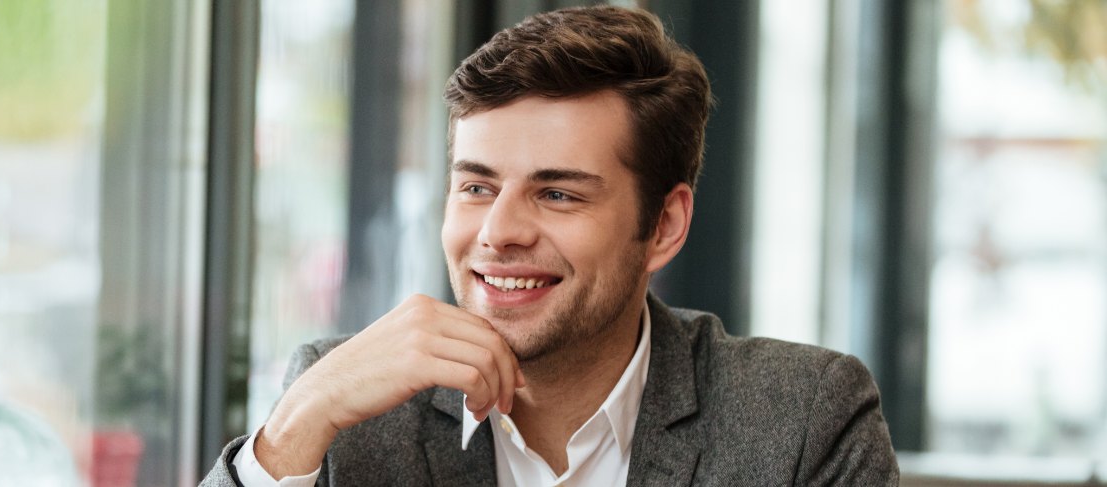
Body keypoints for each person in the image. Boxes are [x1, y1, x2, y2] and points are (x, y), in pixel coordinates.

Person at [203, 5, 898, 486]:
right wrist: (294, 423)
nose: (498, 231)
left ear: (664, 225)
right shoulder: (344, 408)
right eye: (476, 187)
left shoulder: (802, 418)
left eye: (558, 193)